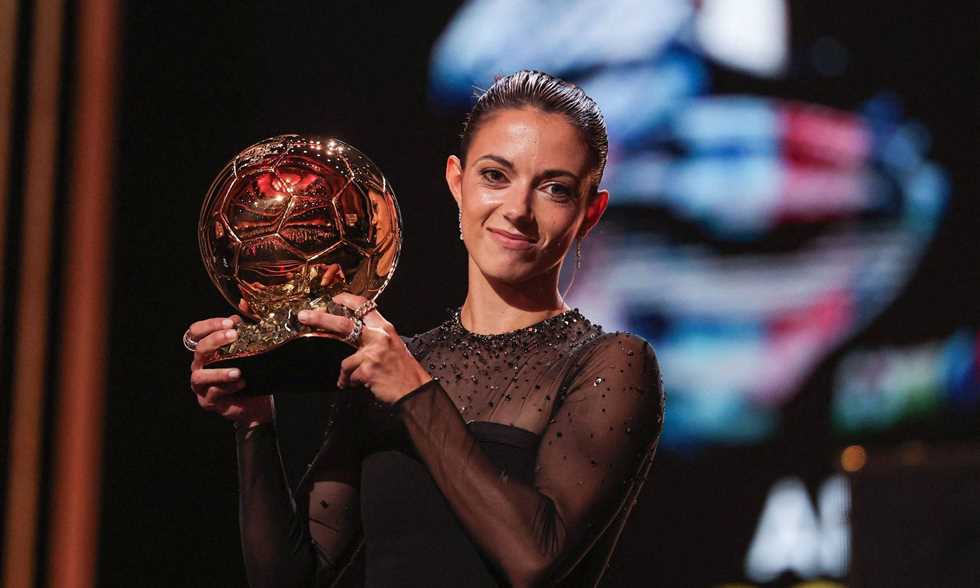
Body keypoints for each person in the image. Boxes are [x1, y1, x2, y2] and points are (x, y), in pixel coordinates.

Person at [185, 70, 665, 587]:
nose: (518, 210)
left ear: (590, 212)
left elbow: (535, 560)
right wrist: (254, 426)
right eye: (495, 176)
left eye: (555, 188)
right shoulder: (392, 366)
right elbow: (291, 579)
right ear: (457, 181)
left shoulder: (612, 364)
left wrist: (412, 391)